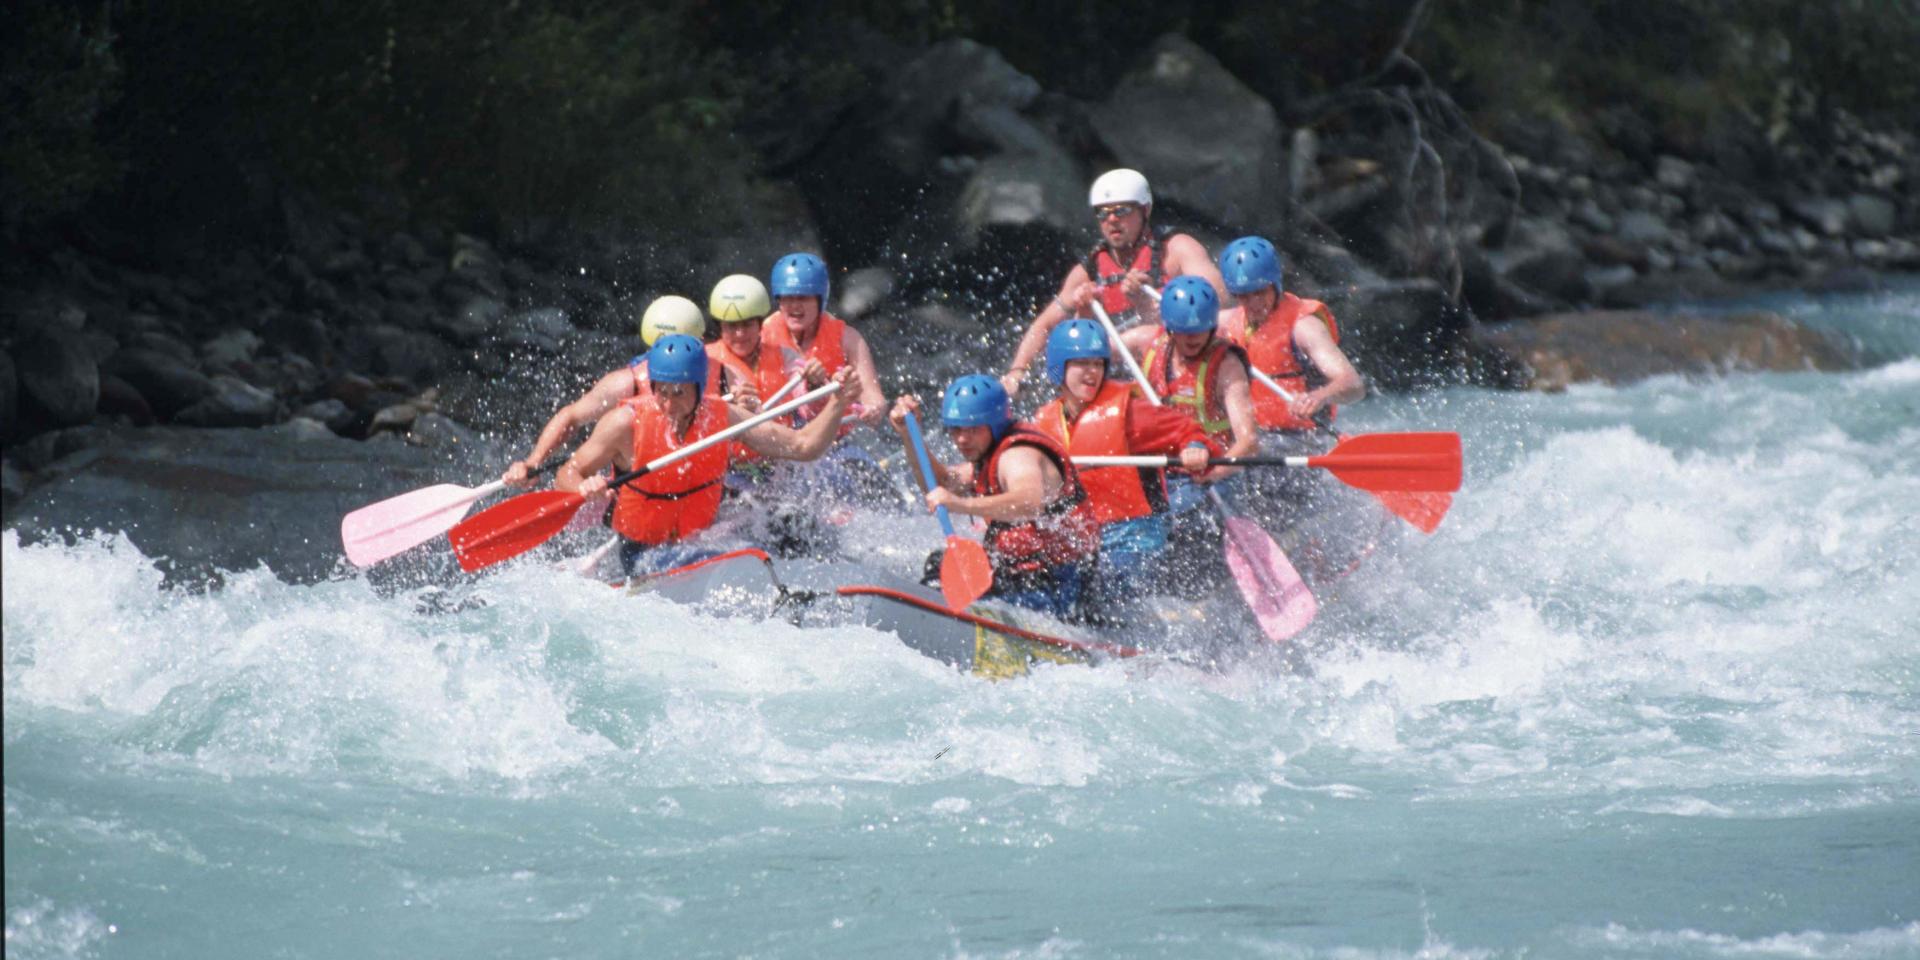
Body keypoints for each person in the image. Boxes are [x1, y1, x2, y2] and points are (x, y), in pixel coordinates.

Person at [558, 335, 862, 575]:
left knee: (795, 525)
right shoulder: (624, 424)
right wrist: (583, 487)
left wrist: (838, 403)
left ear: (700, 387)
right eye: (662, 391)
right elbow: (567, 473)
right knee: (716, 561)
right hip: (644, 550)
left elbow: (802, 447)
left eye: (679, 393)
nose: (668, 404)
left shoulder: (722, 416)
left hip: (705, 536)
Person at [1029, 319, 1221, 612]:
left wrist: (1195, 448)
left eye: (1098, 363)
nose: (1092, 372)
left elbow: (1189, 431)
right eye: (1082, 363)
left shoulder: (1130, 414)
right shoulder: (1043, 424)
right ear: (1060, 367)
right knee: (1040, 575)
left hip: (1135, 535)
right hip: (1083, 538)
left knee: (1103, 588)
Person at [1000, 169, 1226, 398]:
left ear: (1145, 210)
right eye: (1103, 214)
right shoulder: (1089, 270)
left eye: (1122, 211)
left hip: (1181, 361)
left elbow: (1221, 301)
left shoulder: (1177, 250)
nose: (1112, 220)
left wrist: (1159, 298)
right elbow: (1044, 326)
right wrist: (1017, 372)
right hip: (1119, 374)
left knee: (1145, 334)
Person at [888, 375, 1096, 620]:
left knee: (985, 593)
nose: (962, 439)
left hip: (1059, 582)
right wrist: (909, 436)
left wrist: (962, 505)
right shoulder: (988, 455)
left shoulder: (1018, 455)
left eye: (973, 429)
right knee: (938, 566)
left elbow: (1029, 502)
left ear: (994, 425)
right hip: (1020, 573)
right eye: (956, 429)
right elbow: (942, 484)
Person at [502, 294, 706, 485]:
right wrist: (533, 462)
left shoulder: (722, 369)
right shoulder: (627, 383)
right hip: (640, 485)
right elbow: (571, 416)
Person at [1215, 236, 1364, 438]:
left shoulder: (1304, 327)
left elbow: (1353, 384)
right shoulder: (1227, 322)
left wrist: (1318, 397)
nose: (1253, 302)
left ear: (1275, 284)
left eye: (1260, 292)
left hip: (1298, 438)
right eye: (1244, 295)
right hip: (1248, 435)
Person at [760, 252, 888, 427]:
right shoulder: (763, 335)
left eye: (803, 297)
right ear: (779, 300)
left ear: (820, 299)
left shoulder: (849, 339)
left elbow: (874, 397)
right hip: (780, 439)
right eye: (788, 297)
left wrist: (873, 409)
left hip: (834, 442)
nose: (795, 305)